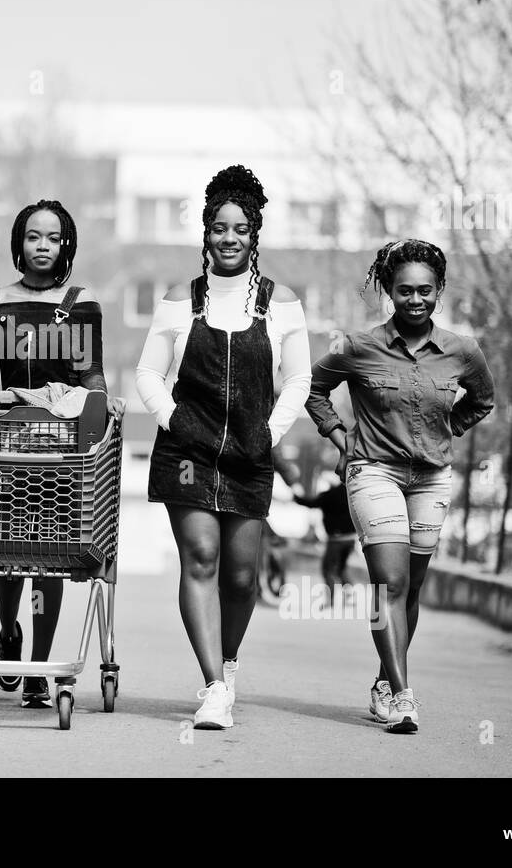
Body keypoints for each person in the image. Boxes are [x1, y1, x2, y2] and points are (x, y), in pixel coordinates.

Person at [136, 164, 311, 730]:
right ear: (205, 233)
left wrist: (270, 433)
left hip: (248, 456)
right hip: (187, 454)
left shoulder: (280, 303)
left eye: (239, 228)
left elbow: (300, 379)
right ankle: (213, 686)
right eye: (218, 227)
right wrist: (174, 420)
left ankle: (227, 663)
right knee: (202, 559)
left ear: (254, 235)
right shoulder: (177, 300)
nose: (228, 238)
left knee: (241, 576)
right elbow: (147, 374)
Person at [305, 239, 494, 734]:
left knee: (411, 588)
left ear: (440, 291)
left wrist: (447, 428)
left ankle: (386, 681)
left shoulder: (462, 350)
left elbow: (483, 400)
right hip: (375, 471)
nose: (416, 300)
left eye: (425, 291)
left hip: (432, 476)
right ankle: (405, 698)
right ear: (389, 291)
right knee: (388, 582)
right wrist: (340, 436)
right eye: (405, 290)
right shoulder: (358, 346)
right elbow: (313, 389)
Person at [0, 199, 124, 708]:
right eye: (33, 237)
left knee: (50, 557)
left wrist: (103, 406)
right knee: (10, 552)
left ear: (66, 245)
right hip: (8, 446)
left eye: (52, 239)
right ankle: (9, 631)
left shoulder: (82, 304)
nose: (42, 246)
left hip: (63, 451)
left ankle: (39, 664)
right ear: (19, 243)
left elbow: (90, 376)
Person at [294, 481, 356, 602]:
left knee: (328, 569)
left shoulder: (328, 495)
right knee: (341, 567)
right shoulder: (349, 493)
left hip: (336, 539)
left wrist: (295, 497)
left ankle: (330, 598)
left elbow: (311, 503)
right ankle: (349, 593)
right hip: (350, 539)